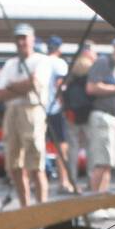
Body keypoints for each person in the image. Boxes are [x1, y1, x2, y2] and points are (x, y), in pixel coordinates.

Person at [0, 24, 53, 207]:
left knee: (35, 162)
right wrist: (21, 87)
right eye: (18, 38)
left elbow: (35, 84)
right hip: (12, 111)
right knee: (13, 163)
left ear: (32, 39)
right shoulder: (11, 63)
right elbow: (0, 93)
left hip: (32, 110)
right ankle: (24, 206)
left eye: (24, 37)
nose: (21, 42)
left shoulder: (41, 60)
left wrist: (13, 87)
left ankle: (41, 206)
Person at [84, 37, 115, 214]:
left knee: (109, 164)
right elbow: (91, 88)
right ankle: (92, 204)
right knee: (100, 162)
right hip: (103, 116)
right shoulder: (103, 62)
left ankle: (102, 204)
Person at [40, 35, 76, 195]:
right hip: (54, 108)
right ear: (59, 48)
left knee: (39, 145)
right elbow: (59, 84)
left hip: (40, 108)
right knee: (61, 146)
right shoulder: (60, 63)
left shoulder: (41, 60)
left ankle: (38, 181)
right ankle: (64, 182)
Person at [62, 48, 96, 192]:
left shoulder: (71, 73)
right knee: (90, 148)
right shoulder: (92, 73)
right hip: (88, 112)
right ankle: (91, 180)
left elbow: (64, 93)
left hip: (72, 114)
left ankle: (73, 181)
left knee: (73, 149)